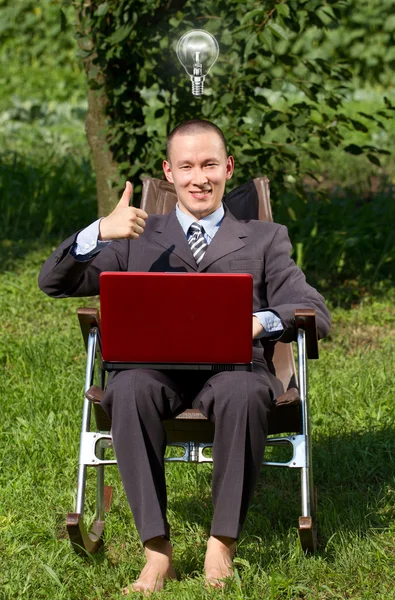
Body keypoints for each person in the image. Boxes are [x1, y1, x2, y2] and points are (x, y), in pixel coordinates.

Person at [39, 119, 331, 594]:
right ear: (168, 172)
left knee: (244, 392)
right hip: (151, 370)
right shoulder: (134, 236)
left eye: (210, 164)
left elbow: (315, 311)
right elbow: (54, 282)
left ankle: (221, 545)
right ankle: (157, 551)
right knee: (127, 388)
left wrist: (261, 321)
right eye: (187, 166)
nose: (200, 177)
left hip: (235, 369)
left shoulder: (264, 238)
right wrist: (98, 232)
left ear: (228, 168)